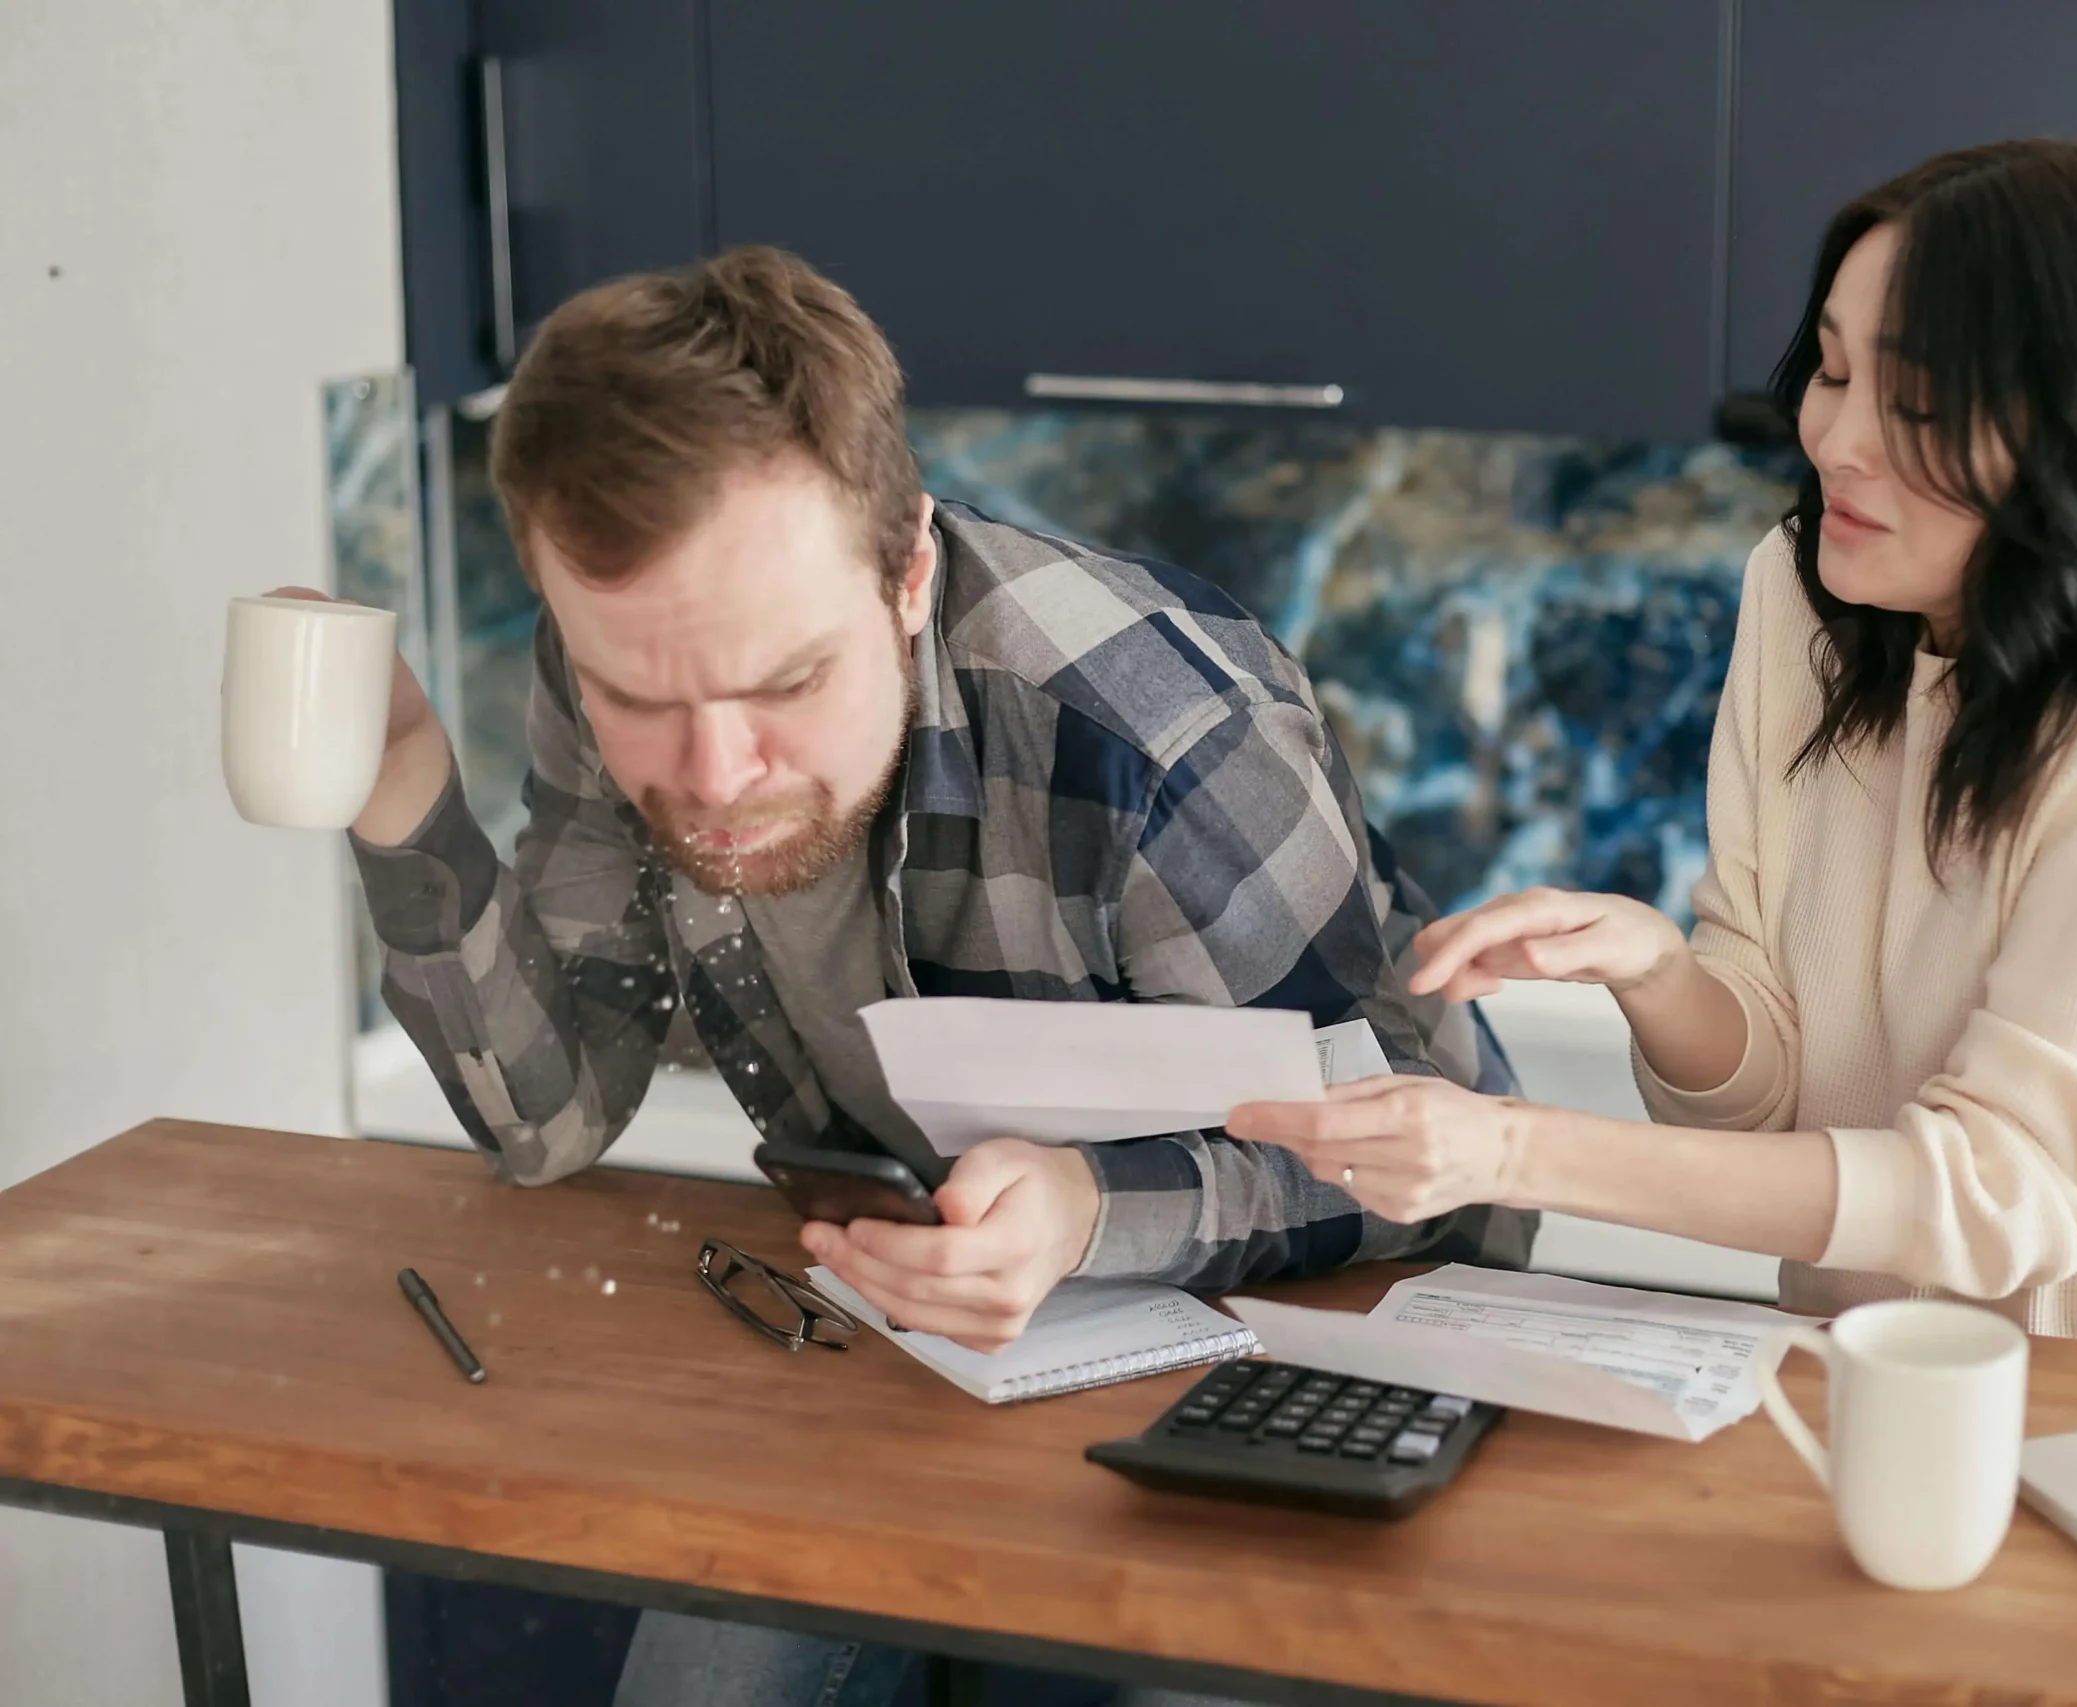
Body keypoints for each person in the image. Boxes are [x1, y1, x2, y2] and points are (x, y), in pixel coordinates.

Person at [335, 245, 1530, 1707]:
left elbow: (1448, 1179)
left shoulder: (1158, 736)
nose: (715, 779)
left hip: (1271, 1349)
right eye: (640, 697)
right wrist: (401, 787)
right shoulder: (633, 639)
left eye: (786, 684)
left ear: (906, 572)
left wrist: (1092, 1207)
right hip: (914, 1338)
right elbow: (551, 1118)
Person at [1234, 138, 2077, 1362]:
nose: (1837, 440)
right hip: (1839, 1372)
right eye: (1829, 371)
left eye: (1915, 402)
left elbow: (2000, 1188)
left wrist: (1510, 1150)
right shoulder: (1812, 595)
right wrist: (1661, 976)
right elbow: (1773, 1094)